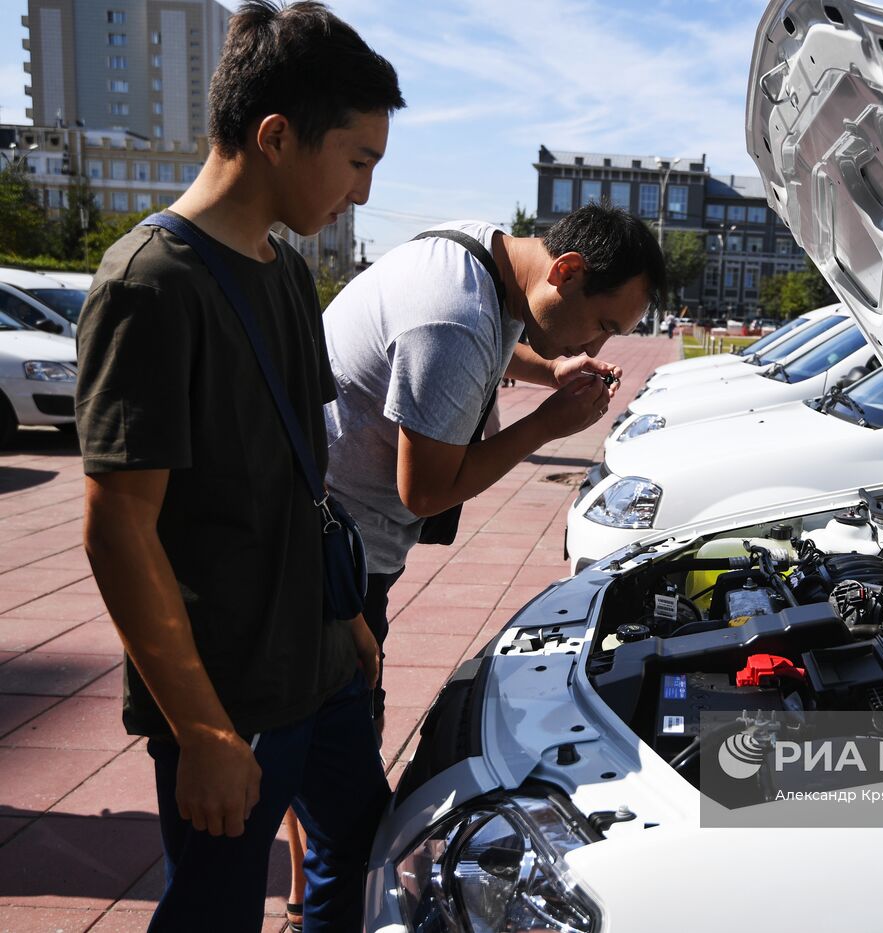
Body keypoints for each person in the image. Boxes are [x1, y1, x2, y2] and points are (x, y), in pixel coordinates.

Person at [73, 3, 404, 931]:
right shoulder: (149, 284)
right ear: (275, 136)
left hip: (322, 663)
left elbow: (304, 476)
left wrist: (346, 618)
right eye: (358, 161)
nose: (364, 193)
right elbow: (118, 527)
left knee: (367, 840)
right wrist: (205, 730)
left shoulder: (286, 270)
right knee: (215, 911)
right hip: (233, 695)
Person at [320, 203, 665, 732]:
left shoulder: (480, 253)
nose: (596, 346)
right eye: (601, 325)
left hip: (323, 531)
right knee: (342, 758)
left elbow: (490, 343)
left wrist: (553, 369)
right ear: (566, 271)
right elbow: (427, 493)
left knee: (309, 748)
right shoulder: (453, 317)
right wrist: (545, 426)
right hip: (335, 558)